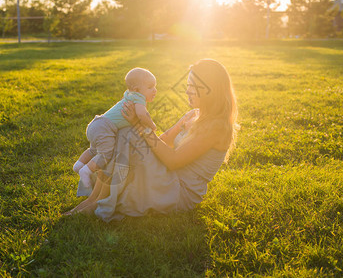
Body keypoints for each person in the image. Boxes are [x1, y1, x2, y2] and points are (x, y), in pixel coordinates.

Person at [64, 59, 237, 221]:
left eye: (192, 86)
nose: (186, 91)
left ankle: (98, 202)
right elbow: (163, 140)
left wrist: (140, 126)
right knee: (126, 132)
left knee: (130, 134)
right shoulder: (193, 115)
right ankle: (94, 200)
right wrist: (137, 129)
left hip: (179, 191)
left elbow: (173, 161)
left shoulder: (217, 127)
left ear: (209, 89)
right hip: (167, 177)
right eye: (187, 85)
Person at [72, 68, 157, 190]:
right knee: (106, 153)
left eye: (155, 86)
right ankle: (85, 171)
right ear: (136, 89)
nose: (155, 90)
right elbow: (142, 114)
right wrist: (152, 125)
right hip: (105, 127)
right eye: (150, 87)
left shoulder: (129, 95)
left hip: (97, 123)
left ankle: (78, 165)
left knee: (94, 150)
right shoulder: (139, 97)